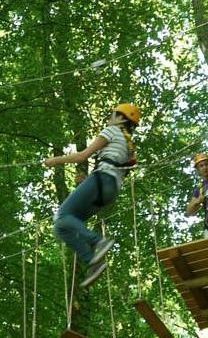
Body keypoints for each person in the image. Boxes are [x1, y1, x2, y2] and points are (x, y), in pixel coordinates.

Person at [43, 103, 140, 287]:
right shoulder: (129, 146)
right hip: (109, 191)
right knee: (62, 227)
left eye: (113, 115)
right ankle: (93, 262)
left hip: (102, 180)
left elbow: (83, 156)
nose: (109, 119)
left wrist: (55, 160)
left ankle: (98, 241)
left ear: (121, 118)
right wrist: (87, 182)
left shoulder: (112, 131)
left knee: (62, 215)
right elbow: (116, 167)